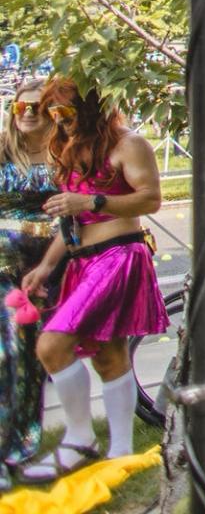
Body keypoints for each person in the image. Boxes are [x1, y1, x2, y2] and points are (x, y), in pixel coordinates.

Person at [17, 79, 164, 478]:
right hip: (83, 259)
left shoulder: (128, 144)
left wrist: (93, 200)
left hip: (119, 256)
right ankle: (120, 452)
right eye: (53, 114)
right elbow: (72, 222)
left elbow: (151, 198)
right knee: (108, 355)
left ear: (92, 108)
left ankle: (80, 440)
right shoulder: (71, 148)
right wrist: (46, 266)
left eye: (66, 112)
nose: (59, 121)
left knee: (51, 344)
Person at [0, 81, 59, 474]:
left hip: (47, 270)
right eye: (23, 105)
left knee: (33, 358)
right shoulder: (3, 149)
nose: (29, 112)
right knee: (7, 354)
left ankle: (20, 446)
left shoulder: (65, 154)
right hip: (4, 265)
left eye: (39, 107)